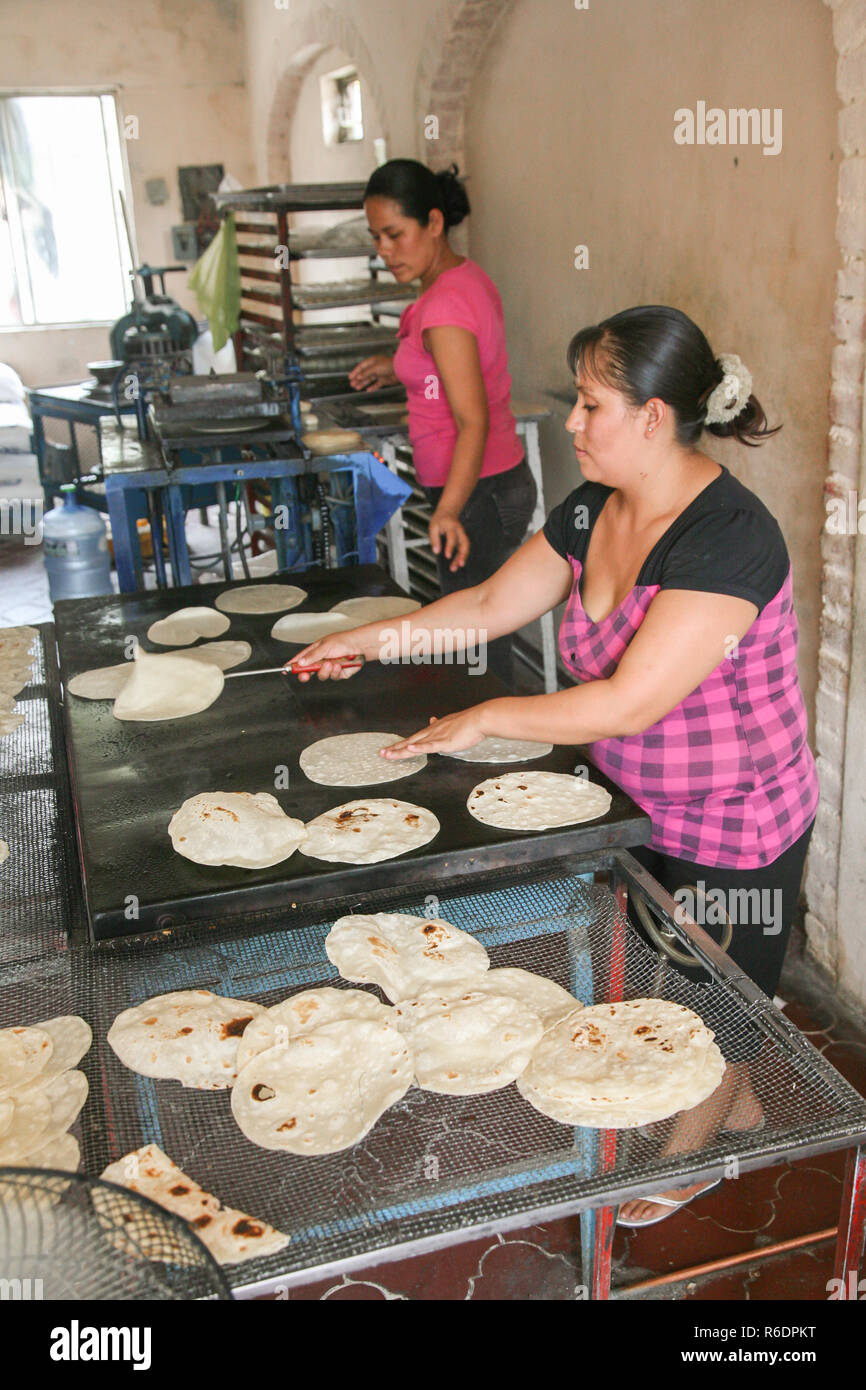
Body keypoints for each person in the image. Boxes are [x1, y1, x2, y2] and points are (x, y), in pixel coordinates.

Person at [295, 304, 820, 1228]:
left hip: (739, 810)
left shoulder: (729, 536)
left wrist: (489, 713)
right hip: (636, 798)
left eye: (588, 405)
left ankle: (689, 1157)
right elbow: (496, 601)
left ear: (652, 417)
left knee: (720, 985)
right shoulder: (591, 508)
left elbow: (631, 701)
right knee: (664, 970)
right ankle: (733, 1107)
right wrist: (370, 639)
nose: (570, 424)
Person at [348, 158, 537, 685]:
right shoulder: (460, 279)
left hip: (476, 492)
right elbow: (448, 362)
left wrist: (449, 510)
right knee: (478, 627)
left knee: (473, 635)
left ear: (434, 222)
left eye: (394, 234)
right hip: (488, 484)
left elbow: (471, 420)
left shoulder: (445, 305)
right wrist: (396, 367)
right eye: (376, 237)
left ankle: (489, 749)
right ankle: (485, 741)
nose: (384, 250)